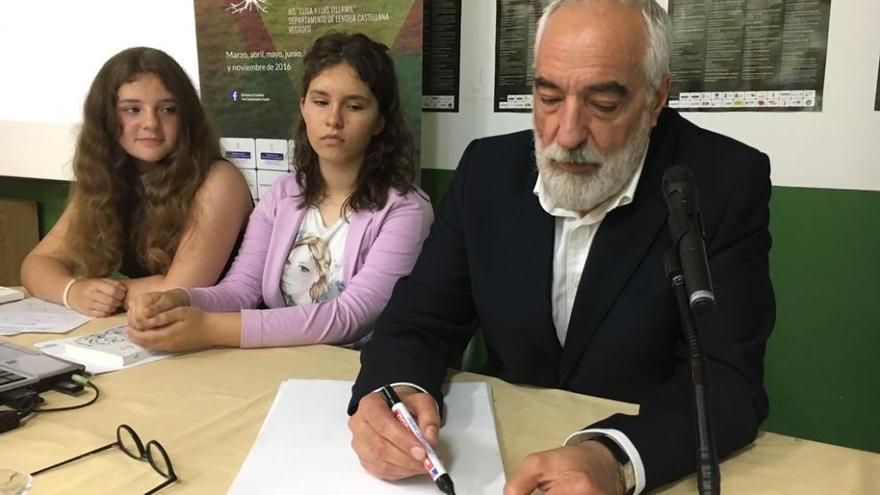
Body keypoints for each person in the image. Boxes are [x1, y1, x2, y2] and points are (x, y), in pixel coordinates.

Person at [347, 1, 775, 494]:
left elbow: (726, 379)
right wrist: (397, 391)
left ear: (657, 99)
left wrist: (614, 456)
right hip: (498, 457)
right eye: (548, 98)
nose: (567, 134)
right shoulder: (488, 172)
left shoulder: (722, 182)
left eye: (604, 105)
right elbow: (419, 319)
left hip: (645, 463)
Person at [125, 32, 433, 352]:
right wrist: (180, 299)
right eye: (321, 102)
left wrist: (210, 329)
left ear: (380, 121)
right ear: (303, 108)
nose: (333, 120)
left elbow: (351, 316)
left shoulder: (406, 210)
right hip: (278, 365)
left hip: (359, 373)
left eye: (354, 106)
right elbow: (241, 290)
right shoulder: (283, 194)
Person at [20, 47, 253, 318]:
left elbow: (178, 290)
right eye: (132, 110)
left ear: (186, 117)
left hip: (229, 333)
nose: (151, 123)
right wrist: (73, 292)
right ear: (105, 118)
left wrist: (101, 293)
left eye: (168, 109)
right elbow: (36, 264)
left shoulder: (219, 180)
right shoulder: (106, 178)